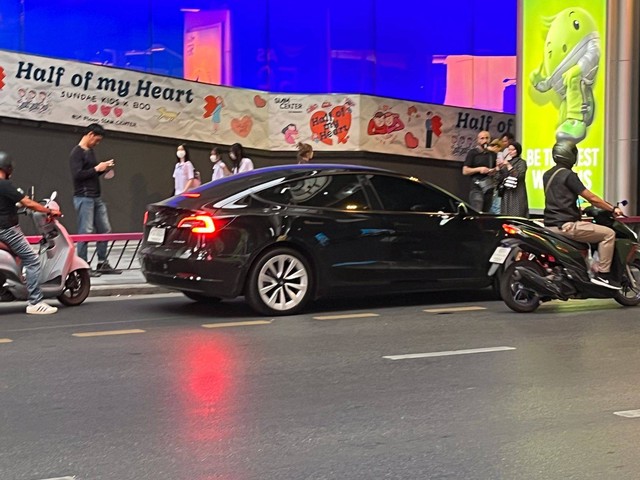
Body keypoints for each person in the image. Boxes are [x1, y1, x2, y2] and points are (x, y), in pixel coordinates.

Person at [543, 140, 623, 289]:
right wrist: (612, 209)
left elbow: (558, 198)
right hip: (566, 225)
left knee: (590, 234)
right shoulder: (569, 175)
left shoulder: (547, 174)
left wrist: (576, 209)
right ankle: (603, 275)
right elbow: (592, 198)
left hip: (550, 225)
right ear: (570, 155)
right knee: (608, 234)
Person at [0, 152, 61, 314]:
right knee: (32, 260)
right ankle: (35, 301)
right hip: (7, 230)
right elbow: (27, 202)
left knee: (17, 256)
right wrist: (48, 210)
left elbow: (14, 202)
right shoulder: (5, 185)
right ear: (7, 168)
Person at [69, 123, 120, 276]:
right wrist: (97, 169)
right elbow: (77, 175)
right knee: (85, 232)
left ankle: (102, 262)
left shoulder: (90, 151)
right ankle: (82, 266)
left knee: (104, 229)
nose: (97, 143)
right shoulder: (76, 153)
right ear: (90, 134)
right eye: (96, 140)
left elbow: (89, 173)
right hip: (84, 197)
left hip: (96, 197)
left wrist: (102, 169)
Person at [462, 130, 496, 212]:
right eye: (482, 138)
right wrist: (479, 169)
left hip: (488, 188)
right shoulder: (473, 153)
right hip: (477, 188)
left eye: (487, 138)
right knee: (477, 211)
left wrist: (493, 170)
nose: (485, 140)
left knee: (486, 213)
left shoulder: (492, 154)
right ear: (478, 140)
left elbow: (495, 169)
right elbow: (465, 170)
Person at [496, 141, 529, 217]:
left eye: (513, 150)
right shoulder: (506, 162)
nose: (510, 152)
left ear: (517, 150)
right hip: (506, 194)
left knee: (517, 216)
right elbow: (498, 179)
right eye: (509, 150)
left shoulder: (521, 162)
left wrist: (508, 165)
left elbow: (519, 176)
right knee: (506, 217)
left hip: (517, 194)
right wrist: (498, 168)